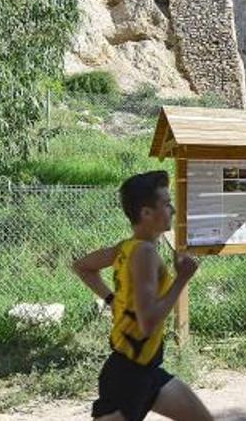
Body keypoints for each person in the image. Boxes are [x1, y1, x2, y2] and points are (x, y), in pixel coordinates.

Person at [71, 170, 212, 421]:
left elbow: (83, 266)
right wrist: (181, 280)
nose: (173, 210)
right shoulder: (144, 252)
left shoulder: (125, 248)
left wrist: (112, 300)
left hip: (147, 371)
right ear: (146, 213)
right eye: (166, 204)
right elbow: (148, 324)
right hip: (128, 376)